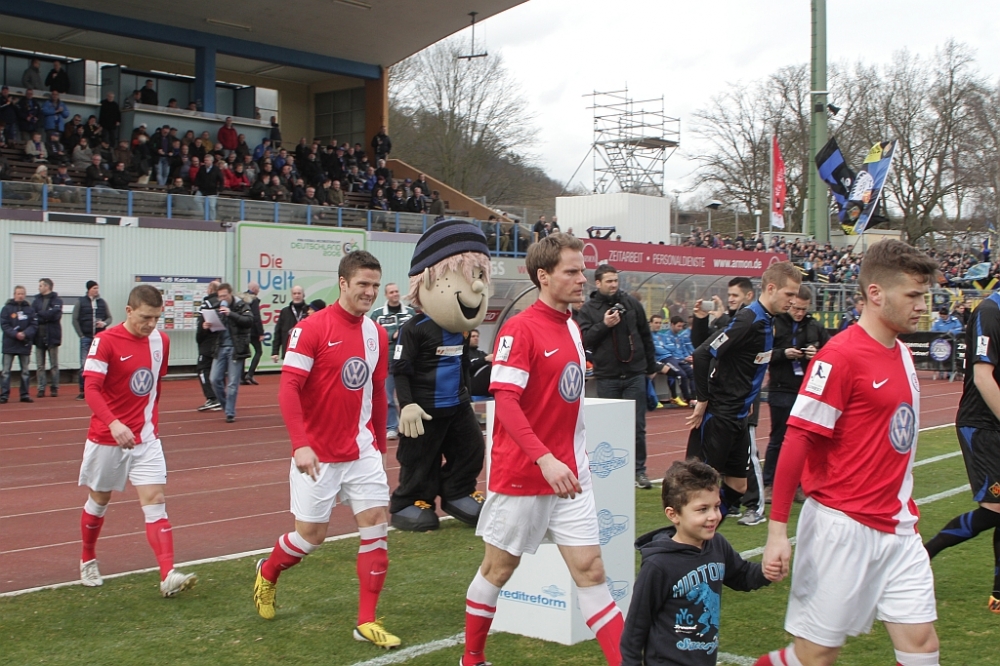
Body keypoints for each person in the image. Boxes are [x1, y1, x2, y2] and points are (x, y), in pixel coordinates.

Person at [755, 240, 941, 666]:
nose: (921, 306)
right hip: (842, 528)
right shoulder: (839, 355)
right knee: (817, 656)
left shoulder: (903, 353)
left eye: (924, 295)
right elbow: (797, 439)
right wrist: (777, 532)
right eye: (913, 295)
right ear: (876, 293)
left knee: (922, 645)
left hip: (899, 528)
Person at [462, 233, 623, 666]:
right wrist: (544, 458)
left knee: (591, 570)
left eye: (582, 270)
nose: (582, 278)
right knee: (498, 569)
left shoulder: (572, 325)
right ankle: (472, 659)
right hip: (525, 474)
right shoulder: (519, 328)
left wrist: (562, 459)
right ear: (543, 276)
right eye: (571, 271)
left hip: (571, 474)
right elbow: (506, 402)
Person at [252, 251, 400, 647]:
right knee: (311, 536)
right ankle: (268, 571)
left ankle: (366, 621)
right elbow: (288, 388)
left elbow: (378, 391)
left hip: (361, 450)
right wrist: (300, 445)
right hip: (317, 454)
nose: (370, 292)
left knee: (377, 525)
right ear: (343, 283)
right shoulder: (310, 329)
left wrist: (379, 441)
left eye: (375, 285)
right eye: (363, 284)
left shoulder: (377, 334)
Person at [77, 284, 197, 596]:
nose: (151, 324)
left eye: (157, 318)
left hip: (146, 438)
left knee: (155, 500)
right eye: (145, 318)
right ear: (129, 311)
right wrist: (114, 423)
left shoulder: (161, 341)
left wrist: (146, 424)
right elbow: (91, 389)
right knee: (99, 500)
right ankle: (88, 558)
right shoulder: (105, 341)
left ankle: (167, 574)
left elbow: (154, 385)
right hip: (107, 438)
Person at [621, 460, 772, 665]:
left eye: (716, 506)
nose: (714, 516)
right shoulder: (658, 565)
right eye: (702, 509)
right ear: (673, 514)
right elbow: (636, 626)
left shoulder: (717, 544)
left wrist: (767, 570)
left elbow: (741, 575)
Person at [686, 263, 801, 524]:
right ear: (771, 288)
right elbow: (703, 354)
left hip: (739, 415)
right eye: (789, 294)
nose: (793, 301)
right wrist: (703, 399)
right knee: (700, 488)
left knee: (738, 486)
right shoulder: (748, 320)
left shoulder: (768, 320)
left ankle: (706, 532)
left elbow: (752, 362)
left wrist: (747, 397)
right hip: (720, 415)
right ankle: (685, 539)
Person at [924, 289, 1000, 613]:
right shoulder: (990, 311)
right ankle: (922, 556)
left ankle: (998, 593)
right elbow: (983, 377)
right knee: (994, 509)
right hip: (981, 425)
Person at [577, 264, 661, 489]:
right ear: (598, 283)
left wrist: (651, 365)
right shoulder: (589, 309)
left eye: (615, 280)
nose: (613, 285)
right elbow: (584, 339)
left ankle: (639, 471)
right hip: (608, 376)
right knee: (609, 426)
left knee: (637, 425)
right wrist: (604, 325)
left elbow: (645, 334)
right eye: (609, 281)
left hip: (634, 373)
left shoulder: (631, 303)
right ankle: (611, 472)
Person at [762, 286, 825, 499]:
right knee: (778, 437)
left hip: (806, 390)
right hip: (780, 387)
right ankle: (769, 483)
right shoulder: (775, 323)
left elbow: (831, 352)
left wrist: (816, 353)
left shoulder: (814, 325)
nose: (799, 313)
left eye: (803, 309)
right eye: (796, 308)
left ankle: (799, 484)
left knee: (803, 439)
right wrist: (783, 353)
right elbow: (761, 354)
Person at [369, 283, 416, 440]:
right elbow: (372, 334)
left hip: (408, 360)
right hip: (387, 361)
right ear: (386, 295)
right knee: (388, 397)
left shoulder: (410, 312)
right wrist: (392, 335)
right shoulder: (377, 314)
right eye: (391, 292)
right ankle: (391, 427)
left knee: (408, 395)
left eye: (396, 291)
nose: (395, 294)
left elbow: (416, 332)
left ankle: (407, 426)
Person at [209, 283, 252, 424]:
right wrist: (207, 326)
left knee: (233, 382)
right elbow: (214, 328)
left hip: (235, 348)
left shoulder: (241, 305)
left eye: (224, 296)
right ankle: (225, 405)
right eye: (220, 296)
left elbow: (249, 321)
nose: (222, 298)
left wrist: (230, 314)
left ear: (230, 294)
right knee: (214, 379)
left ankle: (230, 413)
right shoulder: (217, 306)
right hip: (220, 347)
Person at [72, 281, 112, 401]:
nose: (96, 290)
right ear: (89, 289)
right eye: (94, 288)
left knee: (101, 364)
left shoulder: (102, 302)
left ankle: (102, 389)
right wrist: (81, 335)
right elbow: (75, 319)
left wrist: (104, 323)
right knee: (84, 365)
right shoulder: (81, 302)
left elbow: (109, 317)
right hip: (86, 337)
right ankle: (83, 390)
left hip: (99, 339)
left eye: (97, 288)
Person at [1, 286, 37, 404]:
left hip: (24, 344)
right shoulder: (6, 309)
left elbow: (34, 325)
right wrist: (15, 334)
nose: (20, 296)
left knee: (25, 371)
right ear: (14, 294)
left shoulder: (30, 310)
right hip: (9, 344)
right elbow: (4, 325)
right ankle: (4, 395)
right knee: (6, 371)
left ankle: (24, 394)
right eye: (18, 293)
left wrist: (24, 334)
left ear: (25, 295)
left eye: (22, 293)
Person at [32, 278, 63, 398]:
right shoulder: (36, 300)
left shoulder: (57, 300)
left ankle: (54, 387)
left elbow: (55, 316)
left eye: (41, 285)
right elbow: (33, 316)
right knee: (40, 365)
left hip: (52, 336)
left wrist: (40, 314)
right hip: (39, 336)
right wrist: (45, 315)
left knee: (54, 364)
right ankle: (41, 388)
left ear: (47, 286)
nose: (39, 287)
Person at [194, 281, 221, 412]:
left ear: (210, 289)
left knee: (203, 369)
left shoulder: (207, 304)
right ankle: (220, 397)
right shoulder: (224, 303)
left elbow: (201, 326)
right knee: (217, 371)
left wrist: (199, 340)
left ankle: (212, 398)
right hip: (221, 342)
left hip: (208, 343)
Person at [271, 285, 308, 362]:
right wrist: (275, 352)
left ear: (303, 295)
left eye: (299, 293)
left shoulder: (308, 311)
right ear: (291, 295)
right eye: (294, 293)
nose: (297, 295)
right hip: (288, 349)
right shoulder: (285, 311)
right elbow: (278, 332)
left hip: (305, 350)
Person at [241, 282, 265, 385]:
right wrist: (261, 332)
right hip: (253, 331)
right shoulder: (254, 300)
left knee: (242, 354)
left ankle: (241, 376)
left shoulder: (242, 298)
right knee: (259, 351)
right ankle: (250, 374)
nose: (259, 291)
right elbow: (256, 317)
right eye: (258, 288)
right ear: (254, 289)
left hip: (243, 330)